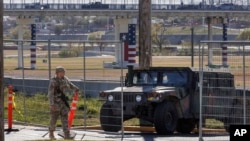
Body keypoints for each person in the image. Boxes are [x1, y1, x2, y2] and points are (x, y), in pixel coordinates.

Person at [48, 66, 79, 139]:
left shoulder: (65, 79)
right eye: (62, 72)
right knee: (53, 119)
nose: (64, 73)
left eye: (64, 72)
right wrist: (52, 104)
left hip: (63, 103)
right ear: (58, 73)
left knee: (65, 119)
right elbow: (50, 94)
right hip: (56, 103)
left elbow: (70, 85)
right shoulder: (53, 81)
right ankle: (51, 133)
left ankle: (67, 134)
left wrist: (76, 89)